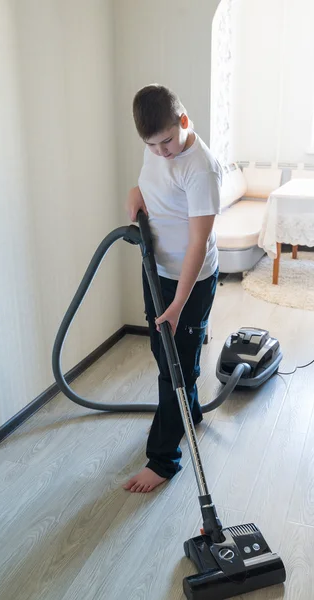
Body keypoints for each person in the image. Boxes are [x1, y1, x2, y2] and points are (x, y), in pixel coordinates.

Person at [123, 84, 222, 493]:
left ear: (183, 121)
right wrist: (136, 193)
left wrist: (180, 303)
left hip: (191, 281)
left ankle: (163, 460)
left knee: (176, 368)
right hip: (157, 269)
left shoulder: (200, 167)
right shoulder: (157, 147)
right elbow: (152, 182)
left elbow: (198, 242)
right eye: (152, 145)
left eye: (167, 141)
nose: (161, 152)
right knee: (163, 354)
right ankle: (189, 414)